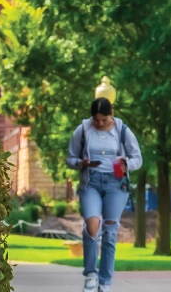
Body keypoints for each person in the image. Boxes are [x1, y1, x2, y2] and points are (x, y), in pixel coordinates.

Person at [66, 97, 143, 292]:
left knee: (109, 232)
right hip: (90, 182)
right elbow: (70, 158)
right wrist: (80, 163)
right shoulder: (82, 130)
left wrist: (127, 164)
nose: (99, 123)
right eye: (96, 120)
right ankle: (91, 275)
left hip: (116, 184)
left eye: (104, 119)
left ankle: (105, 281)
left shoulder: (123, 131)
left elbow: (138, 159)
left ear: (111, 114)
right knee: (92, 225)